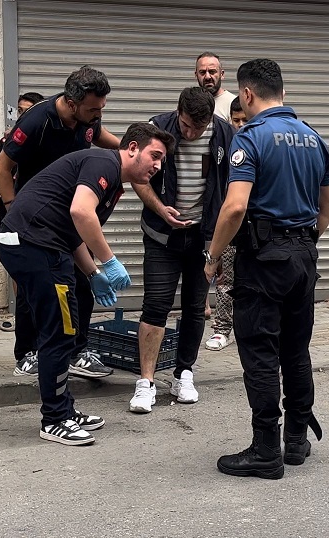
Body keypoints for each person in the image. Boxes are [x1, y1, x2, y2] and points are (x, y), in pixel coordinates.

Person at [0, 122, 175, 445]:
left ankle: (63, 408)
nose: (158, 166)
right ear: (132, 148)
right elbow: (81, 212)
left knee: (67, 330)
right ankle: (54, 419)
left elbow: (73, 231)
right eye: (155, 156)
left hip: (45, 245)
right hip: (32, 244)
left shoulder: (112, 179)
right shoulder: (103, 163)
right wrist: (110, 261)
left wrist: (92, 274)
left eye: (162, 160)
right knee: (60, 331)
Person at [204, 59, 329, 479]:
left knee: (261, 354)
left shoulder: (251, 138)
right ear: (282, 91)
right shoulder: (313, 138)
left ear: (246, 94)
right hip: (303, 258)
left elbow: (235, 207)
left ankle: (265, 451)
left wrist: (213, 256)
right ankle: (295, 440)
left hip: (264, 261)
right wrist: (302, 242)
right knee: (296, 351)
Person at [0, 67, 120, 379]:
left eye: (101, 109)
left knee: (82, 282)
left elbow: (103, 138)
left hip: (66, 214)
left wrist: (133, 152)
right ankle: (27, 353)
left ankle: (77, 351)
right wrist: (12, 210)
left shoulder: (87, 117)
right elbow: (2, 167)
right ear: (72, 103)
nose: (98, 115)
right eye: (93, 109)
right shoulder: (37, 120)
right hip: (32, 218)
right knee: (35, 289)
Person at [128, 87, 234, 414]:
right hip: (162, 236)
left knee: (194, 307)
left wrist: (219, 243)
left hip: (202, 237)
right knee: (155, 305)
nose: (189, 133)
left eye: (197, 128)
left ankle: (184, 374)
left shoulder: (224, 134)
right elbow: (138, 178)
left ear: (210, 120)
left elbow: (231, 185)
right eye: (185, 125)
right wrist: (161, 209)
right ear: (178, 112)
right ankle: (145, 382)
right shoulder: (157, 128)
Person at [0, 91, 43, 333]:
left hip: (38, 214)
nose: (21, 116)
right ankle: (22, 317)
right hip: (10, 214)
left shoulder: (45, 142)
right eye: (19, 111)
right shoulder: (8, 141)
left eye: (27, 111)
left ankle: (41, 319)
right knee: (18, 269)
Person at [205, 97, 246, 352]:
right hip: (230, 224)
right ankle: (221, 329)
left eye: (245, 120)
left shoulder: (259, 145)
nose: (240, 125)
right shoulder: (225, 147)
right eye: (236, 120)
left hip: (255, 227)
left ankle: (248, 328)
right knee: (224, 279)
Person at [195, 52, 236, 122]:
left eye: (212, 71)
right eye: (202, 72)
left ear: (221, 74)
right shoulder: (191, 103)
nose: (207, 77)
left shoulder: (233, 103)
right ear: (196, 75)